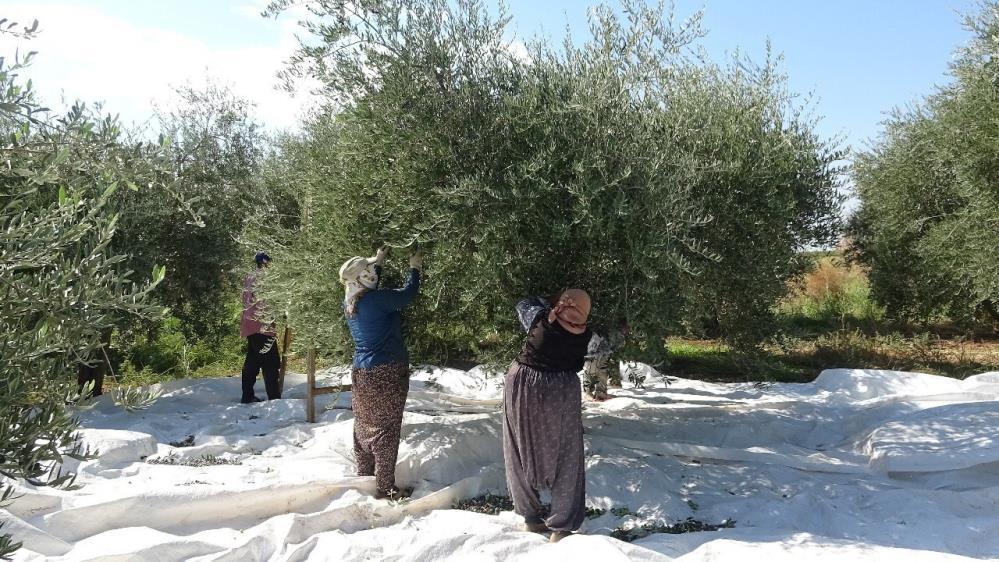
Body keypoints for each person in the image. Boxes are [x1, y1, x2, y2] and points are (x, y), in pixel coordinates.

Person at [504, 289, 593, 543]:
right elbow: (607, 346)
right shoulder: (589, 337)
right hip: (562, 390)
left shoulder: (539, 318)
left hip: (522, 383)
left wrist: (548, 300)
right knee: (567, 453)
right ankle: (561, 526)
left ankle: (531, 518)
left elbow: (522, 302)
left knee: (519, 448)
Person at [339, 244, 422, 500]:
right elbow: (408, 294)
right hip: (386, 370)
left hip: (362, 372)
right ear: (358, 277)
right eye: (367, 270)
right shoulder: (376, 300)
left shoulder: (352, 300)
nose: (371, 273)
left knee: (364, 424)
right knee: (387, 428)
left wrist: (378, 261)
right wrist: (415, 267)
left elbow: (369, 281)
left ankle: (365, 474)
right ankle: (385, 488)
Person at [239, 251, 281, 403]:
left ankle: (247, 396)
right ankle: (274, 399)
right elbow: (267, 303)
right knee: (270, 363)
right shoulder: (265, 277)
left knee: (252, 362)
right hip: (262, 326)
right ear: (265, 262)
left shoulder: (250, 276)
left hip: (249, 325)